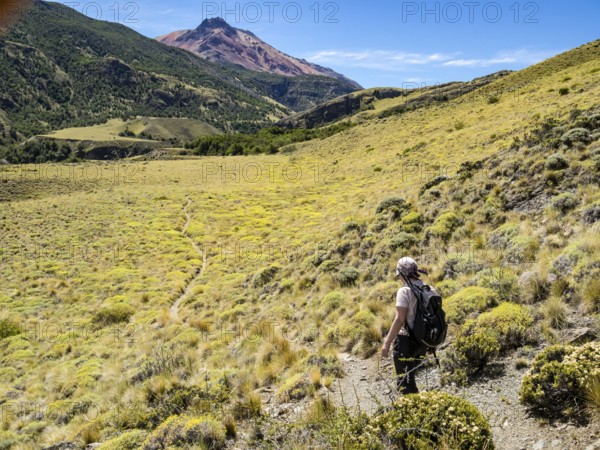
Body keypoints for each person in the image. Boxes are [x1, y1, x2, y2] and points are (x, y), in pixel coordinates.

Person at [381, 256, 433, 394]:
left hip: (406, 341)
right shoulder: (429, 289)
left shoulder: (404, 291)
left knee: (405, 383)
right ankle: (417, 407)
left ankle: (411, 410)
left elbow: (399, 320)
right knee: (410, 377)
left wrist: (386, 343)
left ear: (402, 274)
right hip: (423, 341)